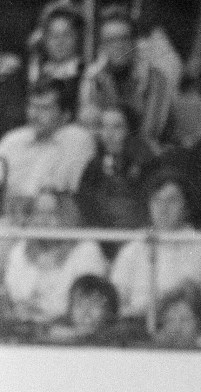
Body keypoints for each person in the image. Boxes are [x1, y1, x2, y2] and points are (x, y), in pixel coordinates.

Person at [110, 165, 201, 318]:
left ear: (187, 207)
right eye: (157, 200)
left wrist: (145, 313)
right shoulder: (134, 245)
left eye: (172, 201)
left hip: (175, 323)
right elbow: (116, 293)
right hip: (131, 323)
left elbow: (185, 291)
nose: (163, 208)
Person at [78, 3, 174, 154]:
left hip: (143, 153)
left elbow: (150, 131)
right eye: (110, 40)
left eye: (123, 39)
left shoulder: (154, 78)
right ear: (102, 45)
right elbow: (89, 125)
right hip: (102, 152)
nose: (118, 46)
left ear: (134, 42)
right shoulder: (93, 78)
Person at [2, 187, 108, 323]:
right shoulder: (20, 250)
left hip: (68, 329)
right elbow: (12, 296)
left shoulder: (86, 250)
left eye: (52, 214)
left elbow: (90, 305)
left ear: (67, 217)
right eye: (38, 213)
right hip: (23, 327)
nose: (43, 221)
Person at [0, 76, 95, 209]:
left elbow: (71, 193)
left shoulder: (77, 139)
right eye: (32, 106)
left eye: (45, 108)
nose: (34, 114)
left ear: (65, 114)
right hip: (8, 221)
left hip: (55, 222)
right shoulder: (13, 139)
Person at [77, 101, 155, 254]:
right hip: (102, 242)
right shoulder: (94, 166)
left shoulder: (147, 163)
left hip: (137, 243)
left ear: (130, 130)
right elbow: (85, 205)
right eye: (103, 126)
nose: (108, 134)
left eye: (117, 127)